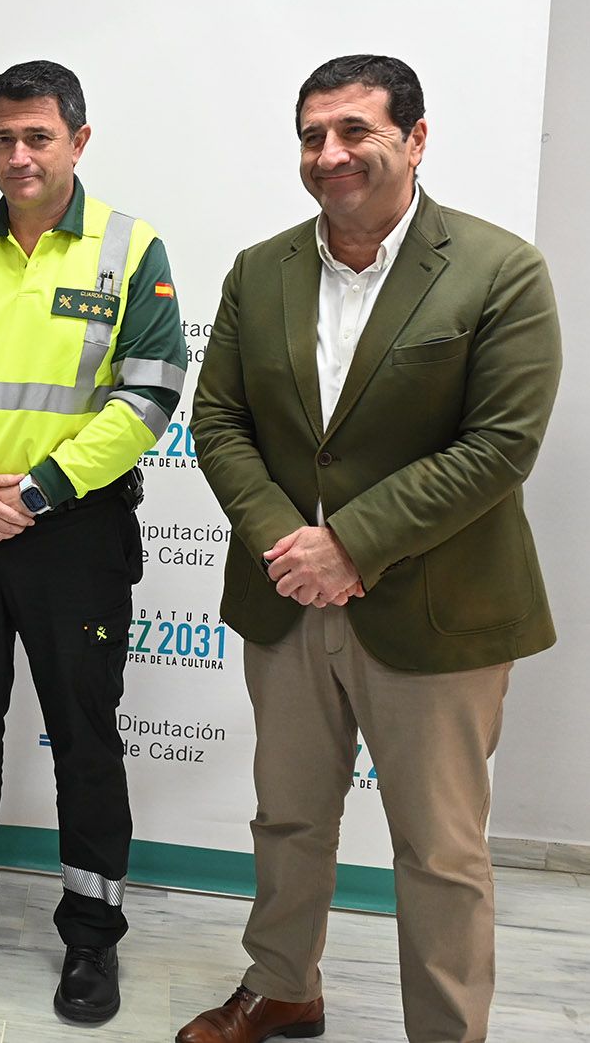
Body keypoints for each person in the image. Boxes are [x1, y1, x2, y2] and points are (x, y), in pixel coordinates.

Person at [181, 55, 561, 1043]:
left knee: (438, 848)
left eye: (355, 130)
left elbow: (500, 442)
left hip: (435, 609)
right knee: (289, 818)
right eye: (312, 134)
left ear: (416, 138)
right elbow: (217, 417)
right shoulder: (259, 268)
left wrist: (350, 543)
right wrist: (289, 545)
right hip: (285, 597)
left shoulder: (497, 268)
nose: (330, 153)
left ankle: (445, 1029)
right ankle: (282, 985)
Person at [0, 60, 187, 1025]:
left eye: (39, 138)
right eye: (2, 139)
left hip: (76, 534)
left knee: (85, 740)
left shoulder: (131, 250)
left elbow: (148, 398)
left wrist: (45, 487)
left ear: (79, 142)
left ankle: (92, 939)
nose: (19, 156)